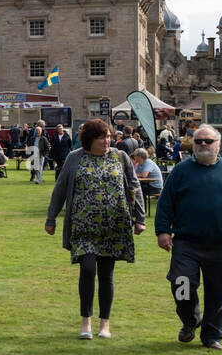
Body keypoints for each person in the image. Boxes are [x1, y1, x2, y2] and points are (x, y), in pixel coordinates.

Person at [44, 118, 146, 340]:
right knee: (88, 268)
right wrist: (51, 218)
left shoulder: (120, 157)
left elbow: (133, 186)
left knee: (106, 275)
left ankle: (105, 324)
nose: (107, 141)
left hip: (114, 227)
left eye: (109, 136)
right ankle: (86, 321)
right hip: (83, 227)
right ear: (89, 139)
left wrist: (140, 218)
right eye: (102, 137)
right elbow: (60, 189)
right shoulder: (74, 158)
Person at [155, 124, 222, 349]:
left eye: (208, 141)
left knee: (218, 293)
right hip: (186, 242)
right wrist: (162, 231)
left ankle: (212, 336)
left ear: (218, 145)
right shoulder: (181, 170)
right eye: (198, 141)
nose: (202, 145)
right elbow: (166, 202)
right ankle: (190, 320)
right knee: (181, 285)